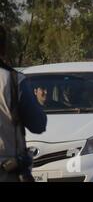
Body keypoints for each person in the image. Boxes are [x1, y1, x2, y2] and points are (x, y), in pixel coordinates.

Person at [0, 25, 47, 182]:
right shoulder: (14, 81)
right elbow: (38, 125)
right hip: (8, 171)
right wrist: (40, 102)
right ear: (4, 49)